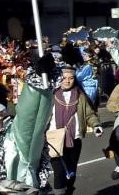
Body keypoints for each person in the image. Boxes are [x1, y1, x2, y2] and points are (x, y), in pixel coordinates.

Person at [49, 66, 103, 194]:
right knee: (59, 171)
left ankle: (68, 190)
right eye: (64, 78)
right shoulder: (50, 95)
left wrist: (96, 126)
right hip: (54, 140)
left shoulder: (80, 95)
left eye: (71, 78)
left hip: (75, 139)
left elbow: (89, 114)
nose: (67, 81)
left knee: (71, 172)